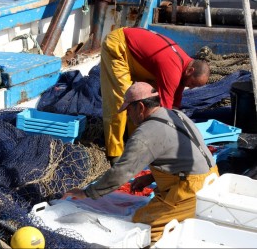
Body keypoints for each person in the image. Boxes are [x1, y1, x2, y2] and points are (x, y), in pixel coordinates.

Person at [61, 82, 218, 243]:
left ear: (141, 107)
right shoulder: (177, 115)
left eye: (129, 109)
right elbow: (182, 154)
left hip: (191, 190)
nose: (128, 115)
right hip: (211, 180)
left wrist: (86, 193)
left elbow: (121, 173)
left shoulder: (145, 133)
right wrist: (150, 177)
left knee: (140, 227)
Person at [100, 27, 210, 163]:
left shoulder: (184, 68)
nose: (191, 87)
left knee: (147, 102)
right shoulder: (173, 69)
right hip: (118, 46)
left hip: (137, 58)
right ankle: (114, 153)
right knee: (123, 99)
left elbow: (174, 107)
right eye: (193, 84)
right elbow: (165, 112)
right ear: (191, 71)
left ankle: (135, 142)